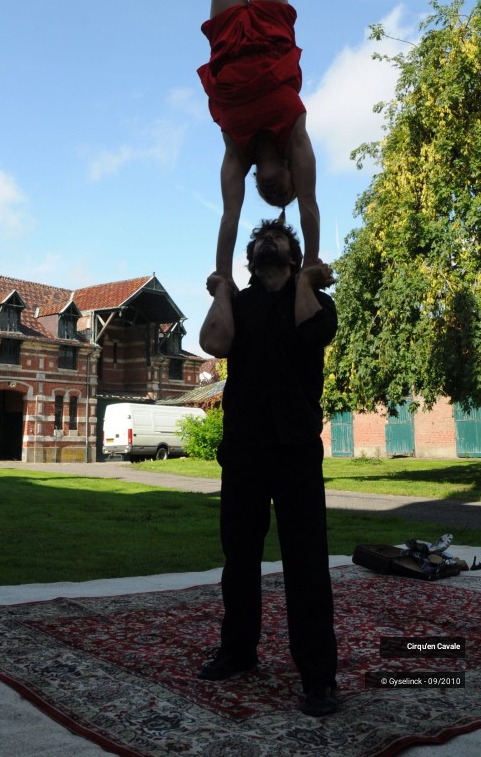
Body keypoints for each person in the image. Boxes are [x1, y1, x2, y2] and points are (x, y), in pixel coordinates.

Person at [198, 219, 338, 717]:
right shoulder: (240, 304)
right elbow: (213, 345)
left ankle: (319, 678)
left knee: (307, 564)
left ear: (295, 258)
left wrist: (304, 281)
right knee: (239, 557)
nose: (268, 244)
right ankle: (238, 650)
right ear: (251, 259)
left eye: (279, 241)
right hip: (244, 450)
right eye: (260, 243)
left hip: (297, 449)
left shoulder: (316, 302)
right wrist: (221, 291)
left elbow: (309, 336)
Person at [198, 0, 320, 281]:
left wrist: (222, 273)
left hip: (229, 46)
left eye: (267, 196)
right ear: (291, 173)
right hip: (271, 38)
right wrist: (311, 262)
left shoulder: (236, 154)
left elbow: (229, 217)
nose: (275, 192)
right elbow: (308, 204)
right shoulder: (297, 137)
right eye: (282, 192)